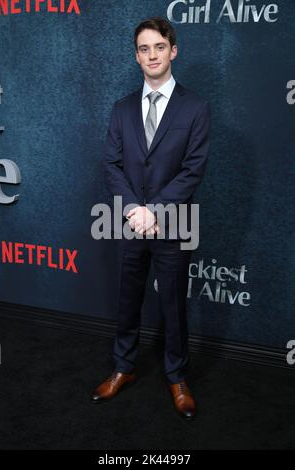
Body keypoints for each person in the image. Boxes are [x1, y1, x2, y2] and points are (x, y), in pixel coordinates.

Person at [91, 16, 211, 420]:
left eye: (159, 46)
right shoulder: (122, 108)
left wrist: (155, 210)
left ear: (172, 51)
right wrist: (134, 210)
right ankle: (122, 368)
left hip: (172, 223)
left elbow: (193, 169)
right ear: (136, 56)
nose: (152, 55)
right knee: (127, 299)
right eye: (144, 49)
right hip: (127, 221)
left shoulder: (195, 107)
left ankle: (177, 377)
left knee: (173, 304)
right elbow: (112, 165)